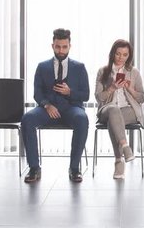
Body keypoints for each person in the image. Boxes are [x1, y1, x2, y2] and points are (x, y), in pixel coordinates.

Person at [21, 28, 89, 183]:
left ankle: (74, 169)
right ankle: (34, 168)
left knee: (82, 118)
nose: (61, 50)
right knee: (27, 118)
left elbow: (85, 95)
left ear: (70, 46)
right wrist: (46, 105)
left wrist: (69, 92)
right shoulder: (42, 67)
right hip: (47, 109)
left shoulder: (79, 68)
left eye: (64, 47)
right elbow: (37, 93)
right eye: (58, 46)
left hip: (71, 109)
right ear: (52, 46)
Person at [95, 39, 144, 179]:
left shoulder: (134, 72)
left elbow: (142, 98)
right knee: (113, 110)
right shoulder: (103, 71)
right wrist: (112, 88)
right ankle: (125, 147)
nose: (121, 58)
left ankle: (119, 160)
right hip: (107, 108)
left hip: (129, 110)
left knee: (115, 119)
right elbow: (99, 98)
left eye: (125, 55)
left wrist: (129, 89)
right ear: (113, 54)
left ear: (129, 56)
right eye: (118, 54)